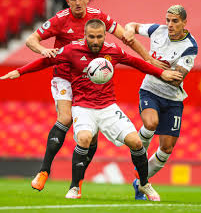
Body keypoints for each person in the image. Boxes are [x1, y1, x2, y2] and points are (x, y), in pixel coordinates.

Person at [0, 19, 183, 200]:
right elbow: (46, 61)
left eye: (99, 37)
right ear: (85, 35)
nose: (95, 41)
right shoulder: (71, 50)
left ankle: (144, 184)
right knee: (85, 138)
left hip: (108, 106)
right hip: (82, 107)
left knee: (136, 142)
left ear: (105, 35)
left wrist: (162, 72)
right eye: (92, 37)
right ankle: (74, 187)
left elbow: (136, 62)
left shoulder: (112, 50)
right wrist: (20, 71)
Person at [24, 0, 167, 192]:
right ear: (67, 1)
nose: (78, 2)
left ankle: (77, 183)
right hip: (64, 75)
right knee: (64, 118)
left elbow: (125, 37)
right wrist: (43, 50)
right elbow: (31, 40)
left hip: (89, 78)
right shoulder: (60, 19)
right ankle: (44, 171)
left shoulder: (98, 17)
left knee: (90, 139)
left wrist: (148, 58)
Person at [125, 5, 198, 200]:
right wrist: (130, 32)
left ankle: (140, 181)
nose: (170, 24)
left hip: (173, 98)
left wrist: (153, 67)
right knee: (150, 124)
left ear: (184, 22)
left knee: (166, 148)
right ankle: (138, 154)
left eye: (175, 21)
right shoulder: (158, 30)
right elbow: (131, 25)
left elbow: (177, 78)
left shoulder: (190, 46)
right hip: (150, 90)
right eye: (168, 20)